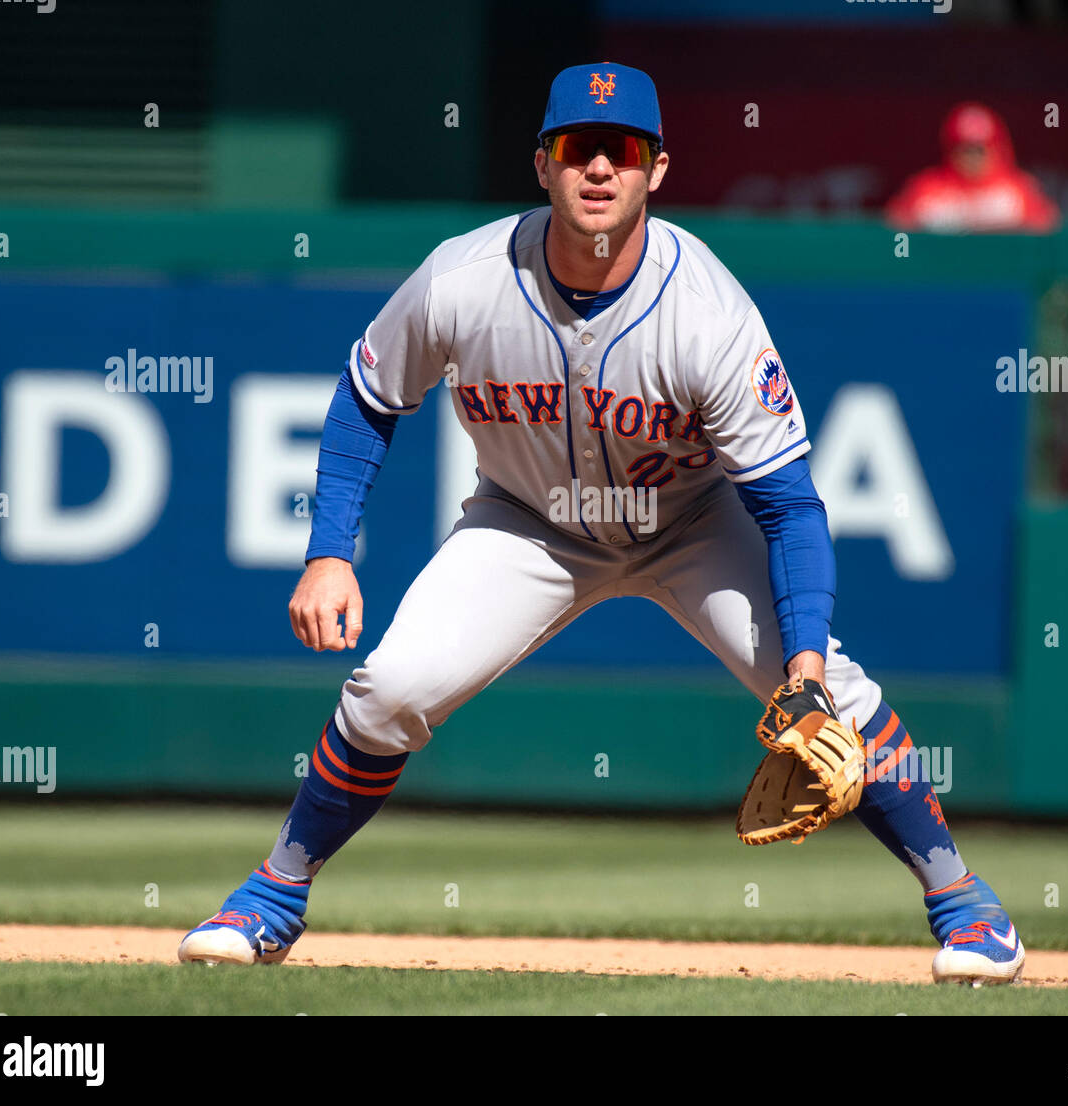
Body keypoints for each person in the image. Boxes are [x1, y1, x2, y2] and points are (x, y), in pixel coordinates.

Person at [179, 63, 1025, 986]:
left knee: (839, 706)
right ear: (542, 164)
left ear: (654, 171)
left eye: (618, 153)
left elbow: (789, 505)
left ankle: (967, 906)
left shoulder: (708, 315)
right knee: (388, 688)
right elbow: (367, 397)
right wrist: (329, 554)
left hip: (691, 524)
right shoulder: (465, 279)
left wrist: (805, 671)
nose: (596, 171)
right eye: (575, 149)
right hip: (529, 525)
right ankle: (273, 894)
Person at [886, 101, 1059, 234]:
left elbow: (1047, 228)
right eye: (964, 148)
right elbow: (892, 227)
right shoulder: (926, 188)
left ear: (996, 148)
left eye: (979, 149)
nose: (972, 157)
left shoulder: (1018, 189)